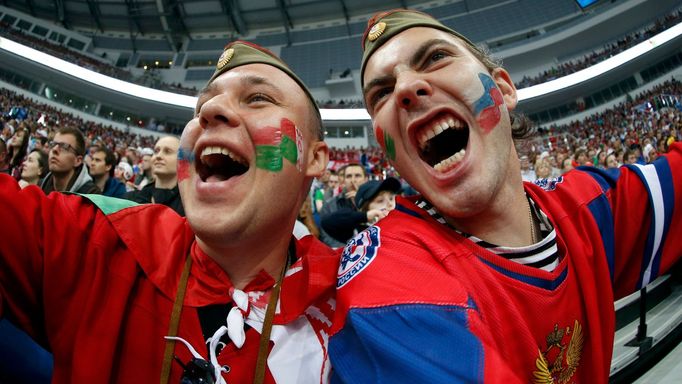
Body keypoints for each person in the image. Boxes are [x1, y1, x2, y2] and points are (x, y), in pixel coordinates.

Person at [328, 9, 682, 383]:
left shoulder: (586, 207)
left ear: (505, 88)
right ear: (389, 152)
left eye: (435, 58)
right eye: (381, 93)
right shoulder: (389, 281)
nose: (404, 89)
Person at [0, 41, 337, 383]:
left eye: (257, 99)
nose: (211, 111)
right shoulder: (99, 240)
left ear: (315, 158)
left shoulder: (353, 305)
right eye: (203, 104)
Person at [123, 136, 185, 216]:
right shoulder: (130, 200)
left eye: (168, 151)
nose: (158, 156)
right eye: (156, 151)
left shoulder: (188, 208)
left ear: (182, 161)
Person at [39, 126, 100, 194]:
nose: (54, 150)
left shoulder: (90, 197)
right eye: (53, 144)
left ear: (78, 161)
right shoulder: (40, 186)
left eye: (64, 146)